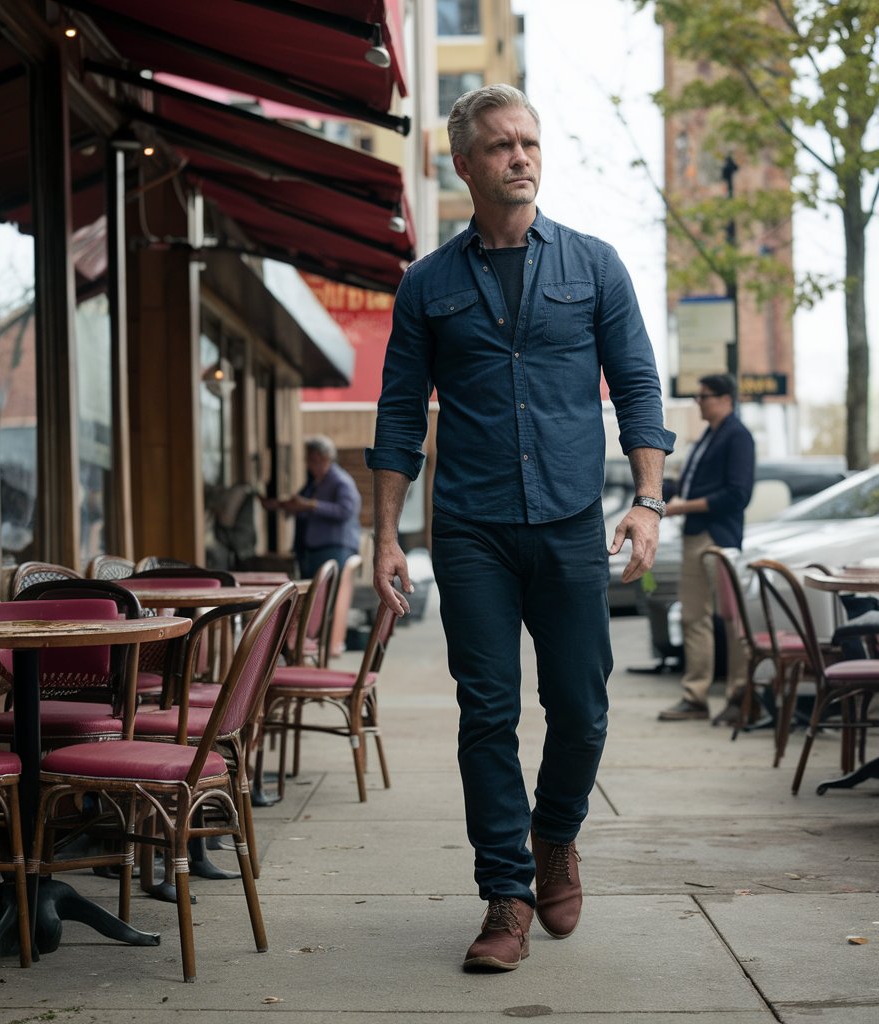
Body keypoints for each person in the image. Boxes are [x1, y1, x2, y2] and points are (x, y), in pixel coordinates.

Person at [366, 84, 675, 973]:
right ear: (464, 163)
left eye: (531, 143)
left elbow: (641, 391)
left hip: (573, 520)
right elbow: (396, 416)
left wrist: (649, 502)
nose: (521, 157)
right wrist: (387, 537)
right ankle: (505, 896)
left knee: (581, 707)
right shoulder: (427, 285)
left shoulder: (595, 266)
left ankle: (555, 837)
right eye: (501, 146)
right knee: (487, 711)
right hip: (471, 529)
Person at [658, 373, 755, 725]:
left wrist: (684, 506)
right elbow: (684, 485)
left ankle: (740, 697)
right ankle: (695, 696)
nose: (699, 402)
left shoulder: (738, 436)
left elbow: (737, 495)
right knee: (692, 618)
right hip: (694, 536)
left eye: (705, 396)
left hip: (720, 538)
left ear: (726, 398)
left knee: (732, 620)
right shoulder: (706, 438)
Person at [263, 435, 361, 578]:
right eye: (308, 459)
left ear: (326, 457)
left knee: (329, 597)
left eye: (313, 460)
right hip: (311, 551)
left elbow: (346, 510)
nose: (309, 464)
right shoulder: (314, 483)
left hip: (333, 549)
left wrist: (311, 505)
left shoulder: (341, 481)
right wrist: (282, 504)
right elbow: (300, 504)